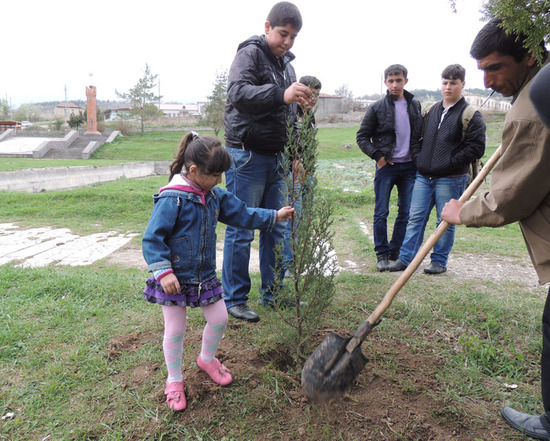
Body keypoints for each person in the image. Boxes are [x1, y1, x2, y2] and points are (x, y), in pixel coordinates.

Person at [441, 18, 550, 440]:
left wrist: (461, 212)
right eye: (482, 70)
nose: (487, 80)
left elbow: (510, 197)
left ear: (530, 57)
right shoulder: (535, 91)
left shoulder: (532, 109)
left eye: (497, 67)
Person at [142, 132, 295, 411]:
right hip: (174, 280)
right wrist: (163, 271)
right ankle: (174, 379)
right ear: (194, 171)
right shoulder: (172, 199)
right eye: (215, 175)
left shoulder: (214, 195)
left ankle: (206, 359)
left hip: (204, 277)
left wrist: (274, 216)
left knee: (220, 318)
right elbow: (153, 238)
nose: (220, 181)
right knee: (175, 330)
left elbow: (243, 214)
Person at [222, 1, 314, 322]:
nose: (287, 42)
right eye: (282, 34)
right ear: (267, 27)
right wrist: (281, 94)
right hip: (246, 156)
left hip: (279, 160)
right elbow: (238, 93)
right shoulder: (249, 53)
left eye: (293, 37)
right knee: (241, 228)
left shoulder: (287, 66)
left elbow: (290, 116)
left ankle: (272, 295)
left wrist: (297, 154)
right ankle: (234, 299)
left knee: (276, 228)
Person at [388, 64, 486, 274]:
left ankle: (439, 262)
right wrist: (418, 158)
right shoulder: (431, 111)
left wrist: (450, 162)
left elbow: (477, 148)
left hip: (451, 178)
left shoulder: (471, 115)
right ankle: (406, 259)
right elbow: (416, 138)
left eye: (453, 83)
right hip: (423, 176)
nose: (448, 87)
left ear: (463, 85)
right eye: (445, 83)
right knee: (415, 218)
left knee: (445, 222)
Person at [356, 64, 423, 272]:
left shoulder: (415, 105)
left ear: (406, 81)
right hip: (387, 168)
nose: (395, 84)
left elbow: (418, 136)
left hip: (410, 168)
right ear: (385, 82)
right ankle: (382, 254)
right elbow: (361, 136)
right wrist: (378, 156)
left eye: (399, 80)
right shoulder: (376, 107)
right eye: (391, 81)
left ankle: (395, 252)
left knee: (406, 212)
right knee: (381, 212)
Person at [282, 75, 322, 272]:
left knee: (305, 219)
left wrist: (310, 170)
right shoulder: (289, 112)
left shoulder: (310, 115)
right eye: (309, 93)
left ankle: (300, 260)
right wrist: (295, 163)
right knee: (293, 221)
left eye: (315, 95)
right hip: (293, 176)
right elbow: (287, 141)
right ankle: (289, 265)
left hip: (308, 176)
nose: (311, 99)